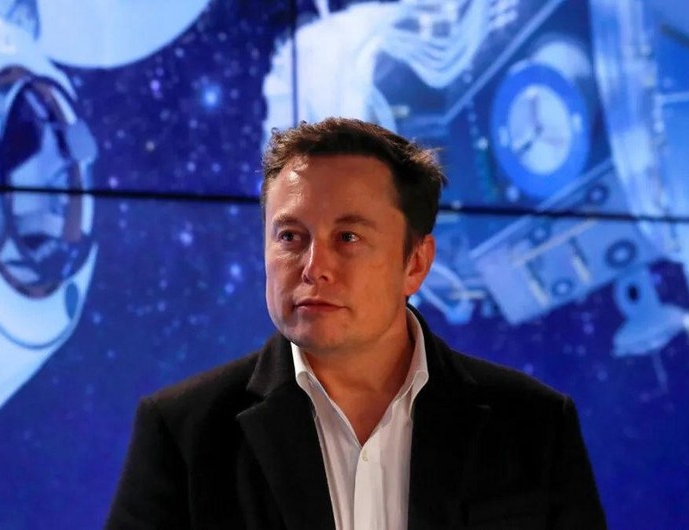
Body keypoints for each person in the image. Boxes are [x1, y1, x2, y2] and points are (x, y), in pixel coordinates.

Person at [105, 117, 606, 529]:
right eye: (290, 236)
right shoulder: (184, 432)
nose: (313, 267)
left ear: (415, 263)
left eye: (347, 237)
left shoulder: (534, 425)